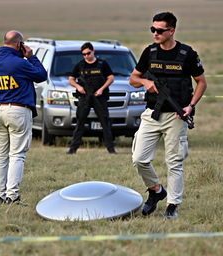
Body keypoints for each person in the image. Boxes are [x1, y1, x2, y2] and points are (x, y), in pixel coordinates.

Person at [130, 12, 207, 219]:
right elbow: (133, 79)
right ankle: (156, 190)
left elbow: (201, 82)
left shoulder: (187, 54)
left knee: (174, 162)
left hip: (177, 115)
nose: (155, 33)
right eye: (152, 29)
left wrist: (190, 106)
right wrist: (146, 83)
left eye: (160, 30)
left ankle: (173, 205)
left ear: (171, 31)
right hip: (152, 114)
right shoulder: (150, 52)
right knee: (139, 159)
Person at [0, 30, 47, 205]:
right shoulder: (20, 63)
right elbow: (42, 75)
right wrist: (31, 57)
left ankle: (0, 195)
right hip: (18, 110)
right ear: (19, 44)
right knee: (17, 155)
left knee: (0, 156)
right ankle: (12, 196)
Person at [67, 42, 116, 154]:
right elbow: (71, 79)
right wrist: (78, 87)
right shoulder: (80, 65)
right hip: (85, 97)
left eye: (88, 53)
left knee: (105, 123)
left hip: (99, 97)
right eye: (83, 54)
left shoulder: (102, 64)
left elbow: (111, 78)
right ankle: (72, 149)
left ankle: (111, 149)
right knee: (80, 123)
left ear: (93, 51)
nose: (86, 56)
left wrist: (102, 89)